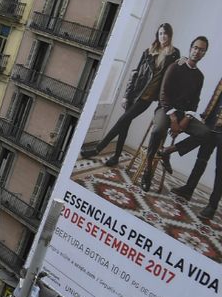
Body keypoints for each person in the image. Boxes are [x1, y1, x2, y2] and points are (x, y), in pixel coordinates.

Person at [83, 22, 179, 168]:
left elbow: (174, 73)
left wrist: (182, 62)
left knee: (121, 122)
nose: (162, 36)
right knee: (124, 125)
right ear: (157, 35)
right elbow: (135, 73)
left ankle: (97, 149)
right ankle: (115, 157)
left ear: (170, 35)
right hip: (134, 93)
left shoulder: (173, 54)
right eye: (160, 33)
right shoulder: (149, 51)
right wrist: (126, 96)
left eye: (165, 33)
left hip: (146, 98)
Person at [140, 36, 208, 192]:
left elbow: (194, 102)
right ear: (191, 48)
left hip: (183, 114)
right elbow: (163, 95)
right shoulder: (175, 66)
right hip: (165, 109)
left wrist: (186, 119)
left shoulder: (200, 76)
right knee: (158, 130)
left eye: (201, 50)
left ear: (204, 53)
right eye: (195, 48)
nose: (197, 52)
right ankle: (147, 171)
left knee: (204, 133)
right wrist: (174, 119)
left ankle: (167, 151)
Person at [160, 82, 222, 219]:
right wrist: (206, 116)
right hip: (211, 125)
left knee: (220, 169)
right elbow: (215, 98)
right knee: (201, 159)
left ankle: (212, 205)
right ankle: (189, 189)